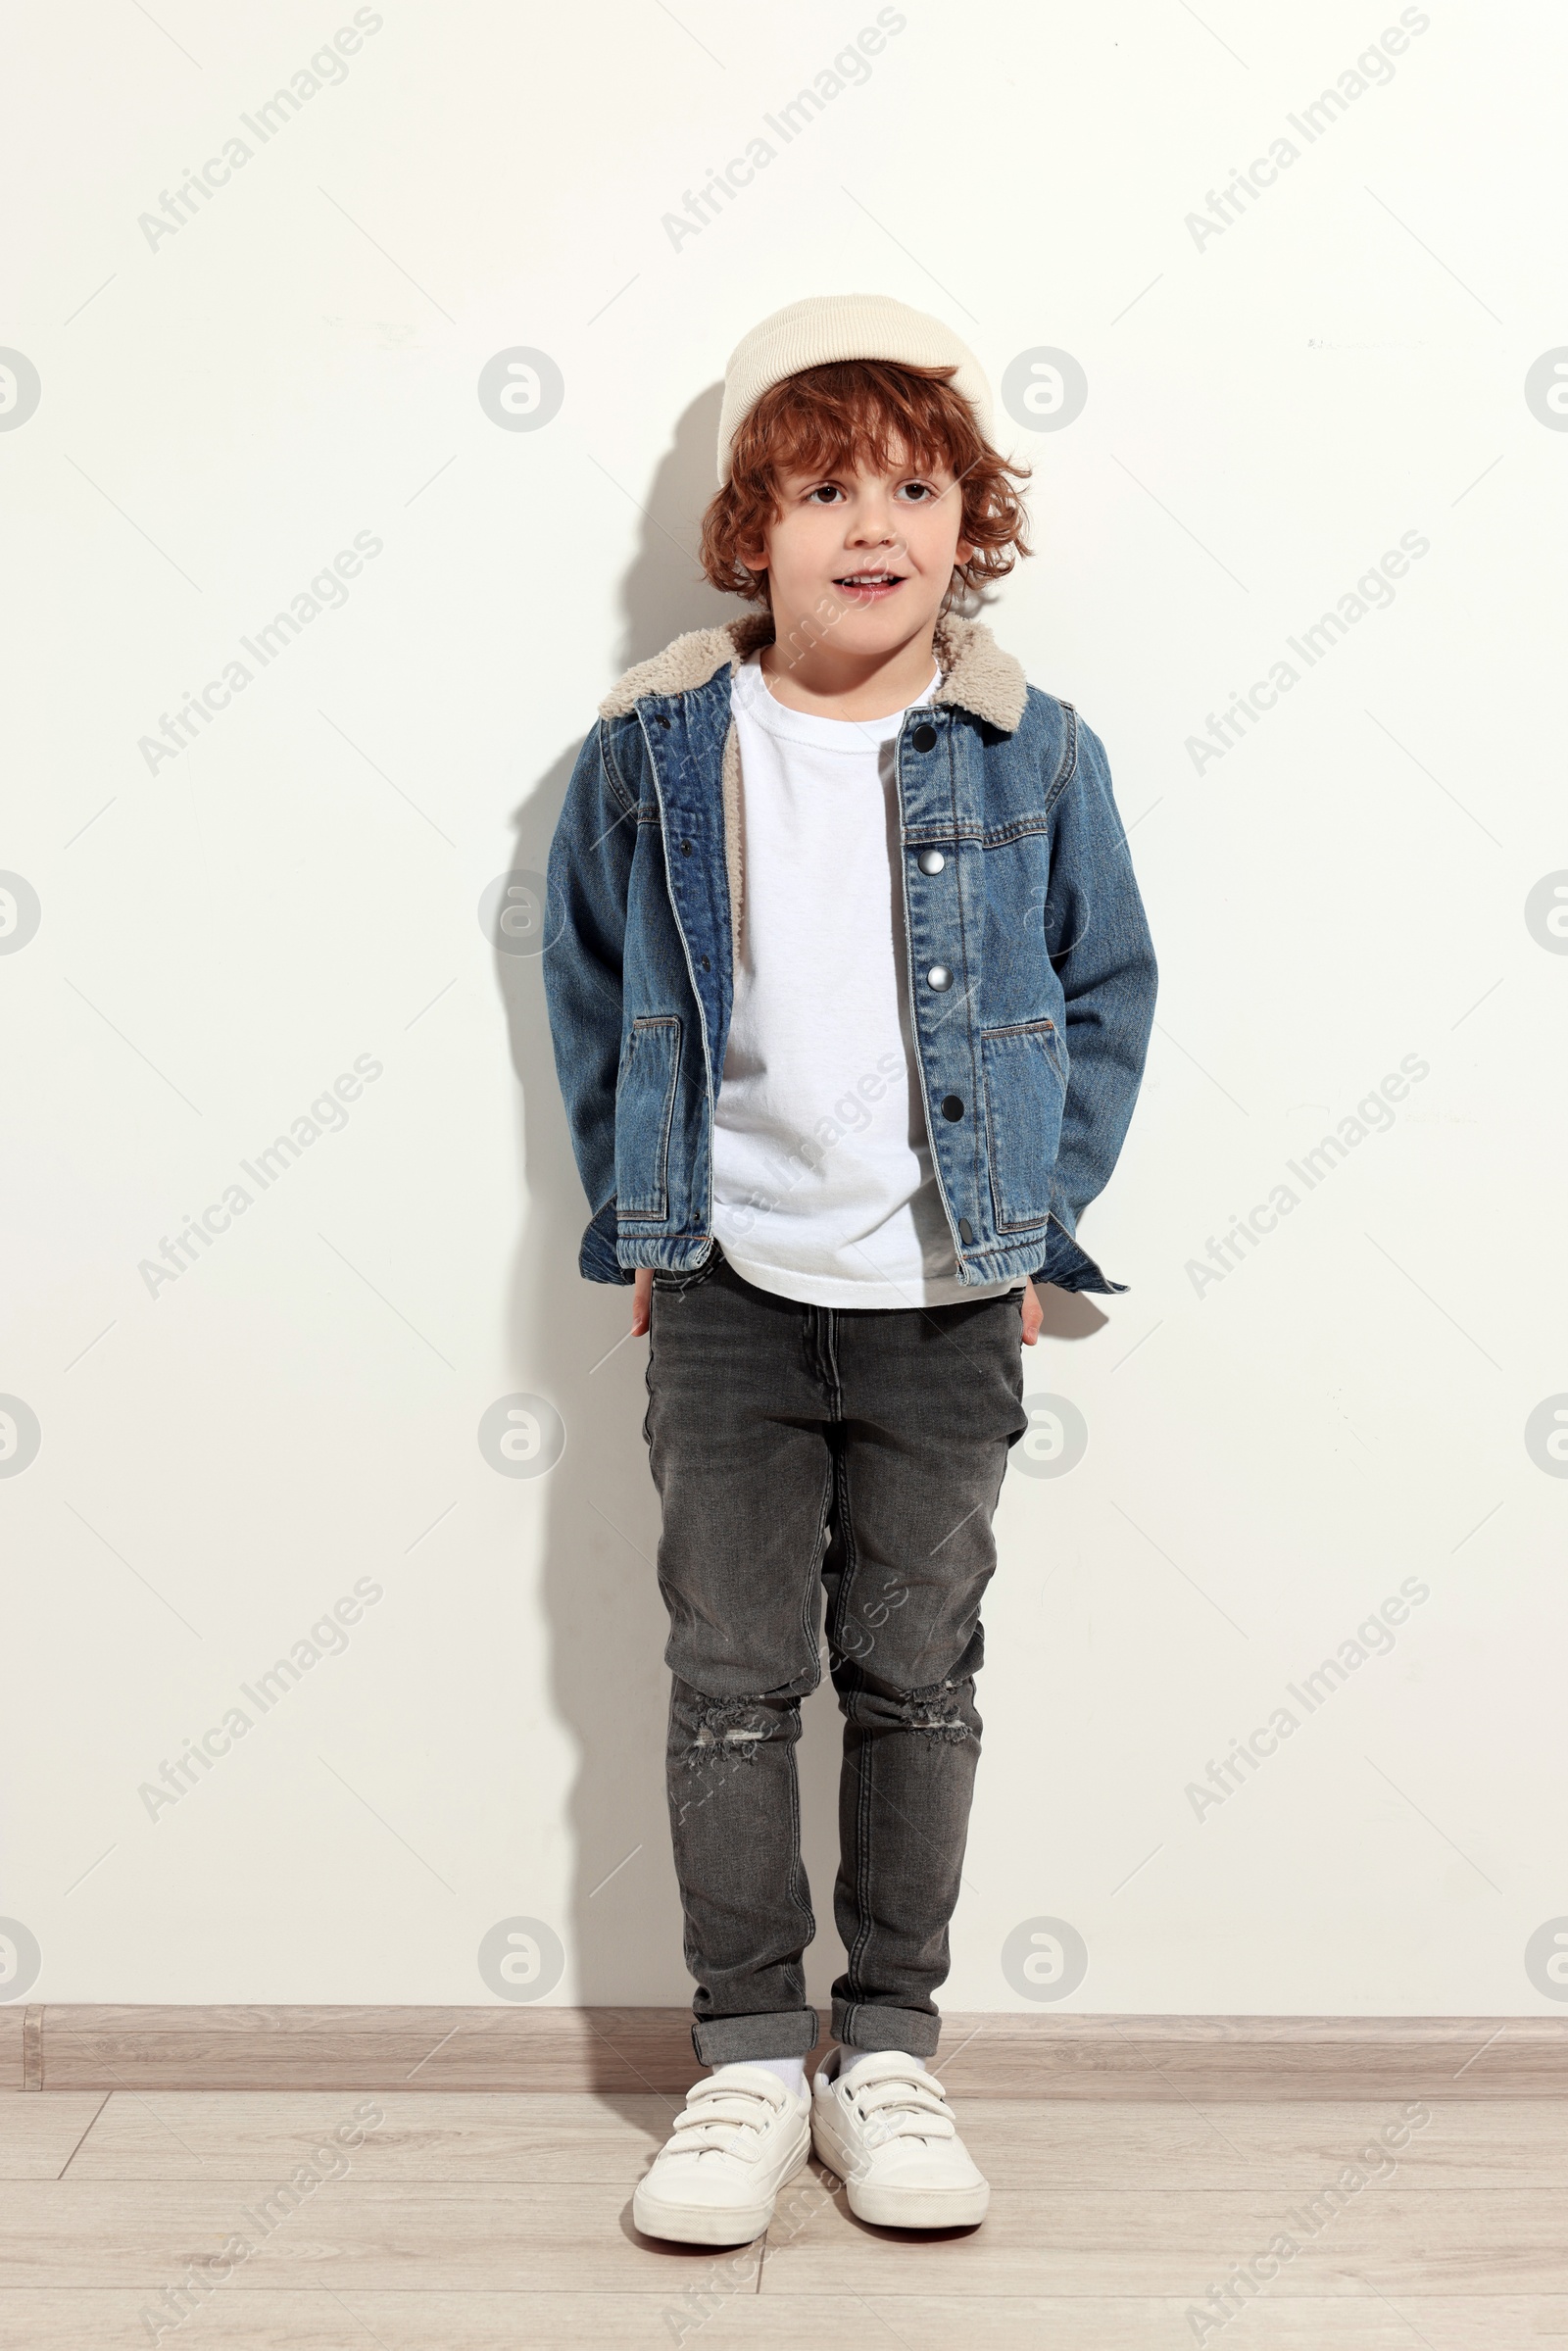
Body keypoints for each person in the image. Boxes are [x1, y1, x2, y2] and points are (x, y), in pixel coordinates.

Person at [544, 293, 1157, 2243]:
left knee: (914, 1680)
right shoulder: (656, 747)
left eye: (913, 482)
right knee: (727, 1679)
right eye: (823, 486)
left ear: (967, 519)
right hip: (723, 1293)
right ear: (751, 524)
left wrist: (1035, 1230)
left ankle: (883, 2048)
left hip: (945, 1302)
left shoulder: (1026, 754)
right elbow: (585, 986)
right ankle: (741, 2064)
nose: (869, 523)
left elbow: (1101, 984)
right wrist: (635, 1216)